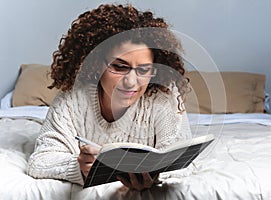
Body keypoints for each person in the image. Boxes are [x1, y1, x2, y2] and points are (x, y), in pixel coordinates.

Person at [27, 4, 192, 191]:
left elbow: (181, 165)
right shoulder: (72, 99)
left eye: (144, 70)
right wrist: (79, 167)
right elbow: (40, 161)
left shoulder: (164, 95)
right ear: (97, 64)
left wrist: (154, 176)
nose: (131, 82)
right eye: (119, 67)